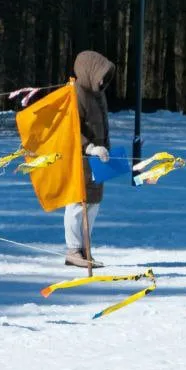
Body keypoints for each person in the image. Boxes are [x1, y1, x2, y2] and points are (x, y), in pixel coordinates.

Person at [64, 49, 116, 269]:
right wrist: (89, 147)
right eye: (100, 73)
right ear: (89, 71)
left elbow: (102, 125)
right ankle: (73, 249)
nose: (103, 79)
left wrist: (106, 149)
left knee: (94, 202)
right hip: (81, 157)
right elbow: (71, 129)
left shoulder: (98, 93)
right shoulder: (76, 93)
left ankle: (86, 248)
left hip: (100, 158)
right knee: (77, 202)